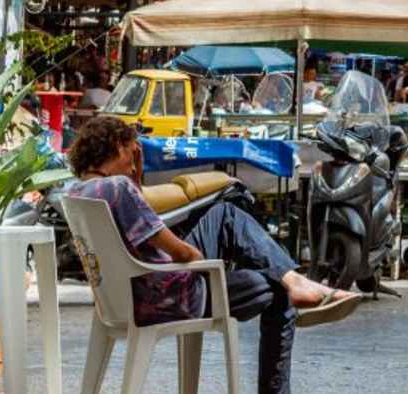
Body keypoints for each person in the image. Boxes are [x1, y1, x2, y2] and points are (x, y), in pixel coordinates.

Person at [66, 116, 360, 394]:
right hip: (170, 296)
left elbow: (137, 212)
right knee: (272, 283)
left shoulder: (78, 190)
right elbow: (182, 251)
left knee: (224, 216)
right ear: (118, 146)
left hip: (126, 298)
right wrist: (199, 256)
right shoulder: (118, 188)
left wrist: (139, 174)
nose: (133, 165)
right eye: (133, 154)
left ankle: (292, 279)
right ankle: (293, 283)